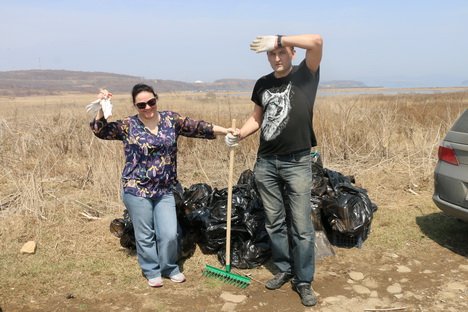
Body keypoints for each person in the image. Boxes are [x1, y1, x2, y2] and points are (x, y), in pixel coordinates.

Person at [89, 83, 232, 288]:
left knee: (169, 233)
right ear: (135, 106)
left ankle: (169, 267)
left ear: (156, 99)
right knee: (145, 234)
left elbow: (198, 127)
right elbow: (100, 130)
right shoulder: (128, 125)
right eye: (141, 105)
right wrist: (102, 107)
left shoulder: (170, 120)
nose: (147, 108)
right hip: (136, 189)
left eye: (151, 102)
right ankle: (151, 270)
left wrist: (225, 131)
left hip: (165, 189)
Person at [225, 34, 323, 306]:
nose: (277, 58)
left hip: (298, 161)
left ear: (293, 53)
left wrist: (280, 38)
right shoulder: (263, 84)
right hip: (266, 162)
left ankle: (303, 281)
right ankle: (284, 268)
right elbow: (257, 118)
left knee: (302, 226)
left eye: (282, 52)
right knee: (274, 221)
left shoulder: (306, 75)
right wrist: (239, 134)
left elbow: (317, 41)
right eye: (272, 54)